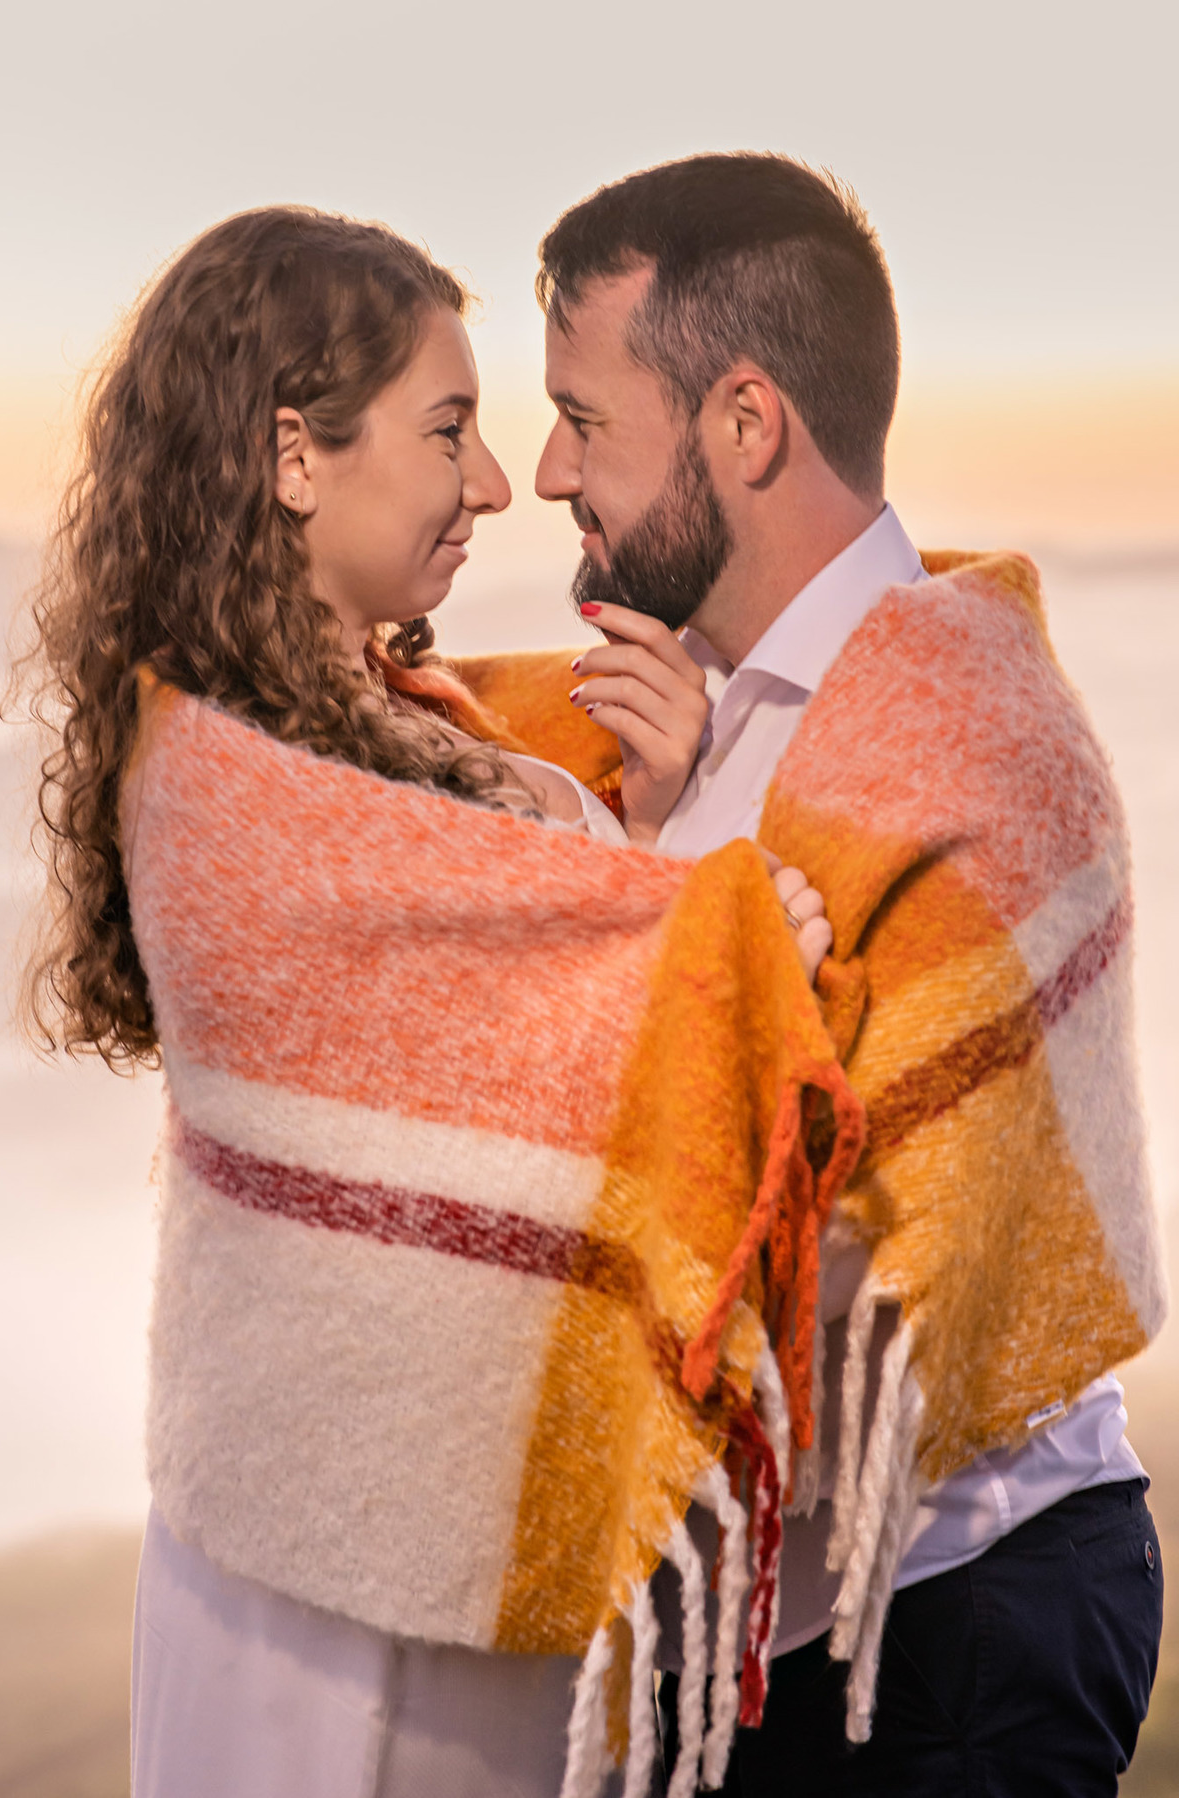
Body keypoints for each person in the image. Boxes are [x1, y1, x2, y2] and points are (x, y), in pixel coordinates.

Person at [20, 204, 833, 1798]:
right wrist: (713, 925)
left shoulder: (415, 732)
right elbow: (564, 1025)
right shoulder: (232, 792)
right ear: (291, 454)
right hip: (324, 1604)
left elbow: (546, 1002)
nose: (485, 481)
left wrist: (659, 844)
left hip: (475, 1548)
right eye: (449, 428)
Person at [513, 152, 1166, 1796]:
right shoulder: (720, 738)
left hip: (961, 1626)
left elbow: (832, 1223)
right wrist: (661, 848)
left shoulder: (959, 729)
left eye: (585, 419)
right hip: (793, 1647)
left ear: (744, 423)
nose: (543, 472)